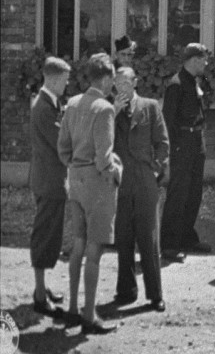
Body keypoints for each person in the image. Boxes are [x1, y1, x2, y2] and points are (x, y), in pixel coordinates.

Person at [58, 53, 123, 335]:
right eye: (113, 80)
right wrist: (116, 170)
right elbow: (103, 158)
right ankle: (89, 314)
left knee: (78, 244)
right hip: (97, 183)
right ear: (106, 78)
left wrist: (75, 167)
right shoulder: (105, 108)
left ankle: (73, 308)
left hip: (75, 178)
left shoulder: (72, 104)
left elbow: (63, 149)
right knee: (95, 250)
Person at [112, 66, 170, 312]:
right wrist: (113, 112)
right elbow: (102, 139)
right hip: (121, 181)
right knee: (123, 236)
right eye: (118, 83)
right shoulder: (108, 110)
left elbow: (163, 142)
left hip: (145, 179)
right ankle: (126, 290)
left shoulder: (149, 106)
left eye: (126, 83)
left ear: (135, 83)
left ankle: (155, 294)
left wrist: (155, 169)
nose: (122, 88)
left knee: (148, 237)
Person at [160, 43, 212, 260]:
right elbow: (168, 120)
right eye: (203, 59)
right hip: (182, 141)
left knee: (194, 193)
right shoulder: (177, 84)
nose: (206, 63)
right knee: (178, 193)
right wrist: (173, 148)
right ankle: (169, 243)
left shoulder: (194, 82)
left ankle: (186, 237)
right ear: (192, 60)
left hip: (196, 139)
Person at [29, 56, 71, 319]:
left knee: (50, 234)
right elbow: (61, 143)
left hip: (51, 178)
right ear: (54, 79)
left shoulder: (49, 103)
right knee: (45, 235)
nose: (67, 85)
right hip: (49, 180)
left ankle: (42, 288)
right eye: (65, 81)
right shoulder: (44, 108)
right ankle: (39, 295)